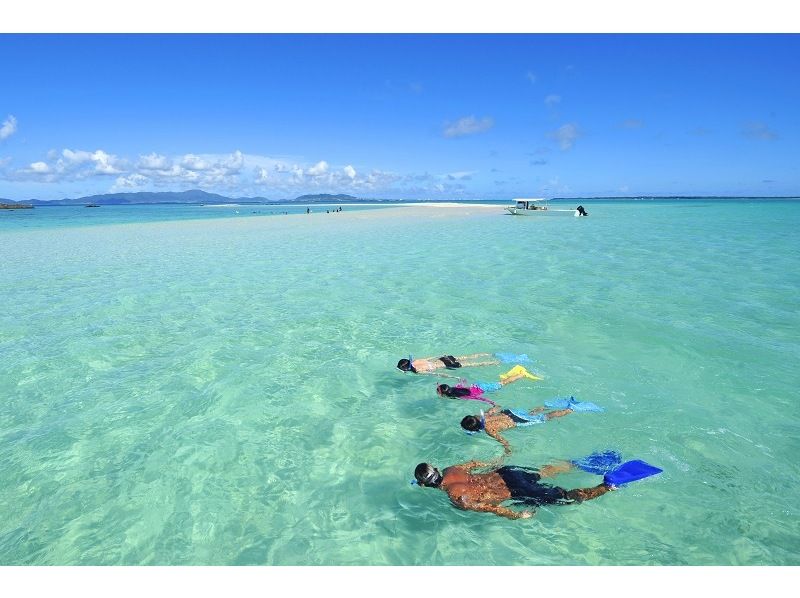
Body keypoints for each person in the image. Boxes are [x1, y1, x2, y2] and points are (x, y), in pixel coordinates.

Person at [413, 458, 613, 520]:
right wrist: (500, 460)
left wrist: (516, 515)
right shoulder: (452, 469)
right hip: (505, 473)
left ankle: (607, 486)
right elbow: (476, 463)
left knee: (567, 497)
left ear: (423, 485)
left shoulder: (455, 496)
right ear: (437, 469)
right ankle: (580, 463)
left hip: (516, 490)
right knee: (544, 471)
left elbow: (488, 508)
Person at [460, 403, 577, 453]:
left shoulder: (489, 430)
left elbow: (504, 442)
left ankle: (570, 409)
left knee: (545, 418)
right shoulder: (482, 416)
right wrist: (493, 409)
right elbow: (497, 407)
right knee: (531, 414)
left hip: (517, 421)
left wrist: (507, 451)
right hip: (510, 412)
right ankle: (543, 406)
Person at [396, 353, 501, 377]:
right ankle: (489, 354)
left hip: (447, 366)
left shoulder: (418, 371)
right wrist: (441, 355)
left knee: (472, 364)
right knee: (468, 357)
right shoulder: (416, 361)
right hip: (443, 358)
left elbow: (437, 374)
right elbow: (430, 358)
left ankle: (493, 362)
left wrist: (453, 377)